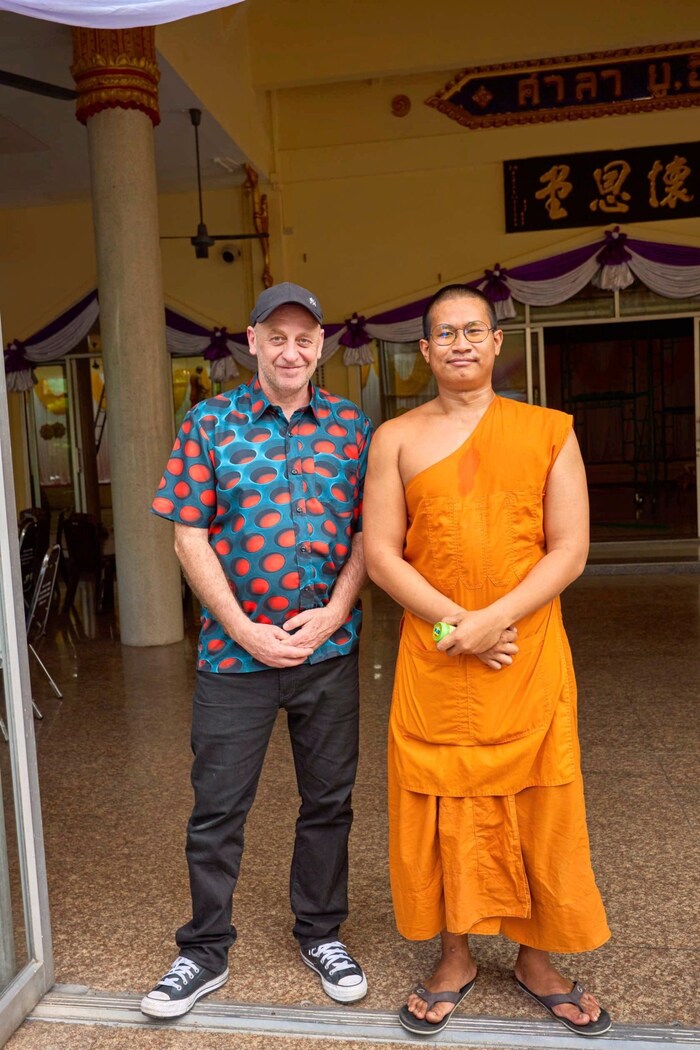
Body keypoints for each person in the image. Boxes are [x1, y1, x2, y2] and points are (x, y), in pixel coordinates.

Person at [363, 285, 611, 1038]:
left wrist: (493, 621)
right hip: (436, 654)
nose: (461, 343)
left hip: (524, 651)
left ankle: (538, 959)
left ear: (498, 342)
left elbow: (570, 548)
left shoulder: (548, 431)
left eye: (474, 330)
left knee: (540, 802)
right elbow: (381, 554)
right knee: (442, 805)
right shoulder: (395, 438)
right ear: (425, 350)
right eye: (445, 333)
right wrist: (456, 626)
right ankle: (455, 956)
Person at [142, 282, 373, 1019]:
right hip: (233, 660)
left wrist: (334, 613)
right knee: (217, 809)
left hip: (327, 654)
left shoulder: (351, 427)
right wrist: (242, 628)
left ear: (321, 345)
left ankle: (321, 933)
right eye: (277, 337)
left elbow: (370, 534)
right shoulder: (209, 423)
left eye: (304, 338)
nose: (290, 351)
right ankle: (203, 950)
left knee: (328, 803)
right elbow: (187, 535)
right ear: (253, 342)